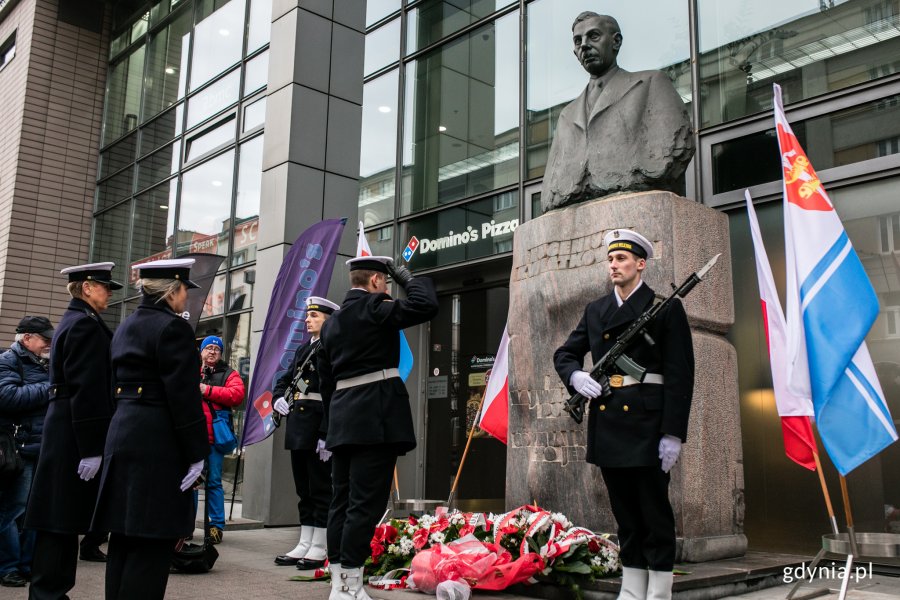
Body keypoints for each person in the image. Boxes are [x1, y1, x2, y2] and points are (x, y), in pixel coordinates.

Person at [553, 230, 694, 600]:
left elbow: (681, 374)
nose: (614, 266)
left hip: (648, 423)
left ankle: (659, 588)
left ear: (641, 264)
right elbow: (565, 353)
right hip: (610, 421)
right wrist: (576, 376)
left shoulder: (665, 307)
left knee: (653, 510)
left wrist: (673, 432)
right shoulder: (596, 310)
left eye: (622, 260)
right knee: (625, 513)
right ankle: (632, 587)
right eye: (611, 260)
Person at [318, 256, 438, 600]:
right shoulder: (375, 306)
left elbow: (327, 384)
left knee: (340, 502)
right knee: (364, 505)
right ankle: (350, 585)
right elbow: (425, 305)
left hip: (342, 421)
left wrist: (329, 427)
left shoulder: (332, 323)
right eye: (384, 282)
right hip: (375, 419)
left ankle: (340, 583)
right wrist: (406, 276)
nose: (387, 288)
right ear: (374, 281)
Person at [91, 258, 209, 600]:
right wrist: (197, 453)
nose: (186, 296)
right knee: (153, 541)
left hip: (123, 432)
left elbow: (111, 385)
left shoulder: (125, 325)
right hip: (158, 440)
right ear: (171, 290)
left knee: (124, 538)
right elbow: (183, 396)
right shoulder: (173, 329)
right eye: (185, 288)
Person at [26, 263, 122, 600]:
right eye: (104, 286)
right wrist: (92, 446)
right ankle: (49, 593)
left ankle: (52, 592)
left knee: (61, 518)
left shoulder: (80, 321)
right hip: (71, 431)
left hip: (66, 427)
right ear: (86, 287)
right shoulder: (83, 325)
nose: (109, 292)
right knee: (59, 519)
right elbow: (87, 389)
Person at [540, 12, 694, 213]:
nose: (584, 45)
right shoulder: (566, 115)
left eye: (593, 36)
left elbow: (670, 154)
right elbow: (551, 192)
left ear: (616, 41)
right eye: (578, 41)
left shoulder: (651, 84)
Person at [272, 296, 339, 569]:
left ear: (328, 320)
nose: (308, 320)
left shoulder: (333, 348)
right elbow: (285, 379)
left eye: (315, 316)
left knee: (320, 488)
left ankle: (320, 545)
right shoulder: (303, 350)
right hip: (299, 428)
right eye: (308, 315)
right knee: (304, 489)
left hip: (317, 427)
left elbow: (333, 392)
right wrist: (279, 397)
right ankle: (306, 540)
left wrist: (327, 433)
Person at [0, 317, 52, 587]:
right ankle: (8, 567)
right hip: (19, 449)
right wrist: (50, 388)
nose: (48, 344)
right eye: (44, 339)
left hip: (40, 448)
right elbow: (7, 396)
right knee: (13, 510)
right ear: (27, 338)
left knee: (32, 511)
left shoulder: (44, 364)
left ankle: (26, 565)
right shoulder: (8, 360)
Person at [198, 334, 245, 545]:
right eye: (208, 348)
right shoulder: (191, 371)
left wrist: (207, 390)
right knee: (189, 483)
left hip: (214, 439)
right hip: (193, 436)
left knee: (214, 482)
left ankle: (216, 526)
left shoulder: (229, 373)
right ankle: (185, 525)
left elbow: (236, 395)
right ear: (201, 351)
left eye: (216, 349)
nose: (212, 351)